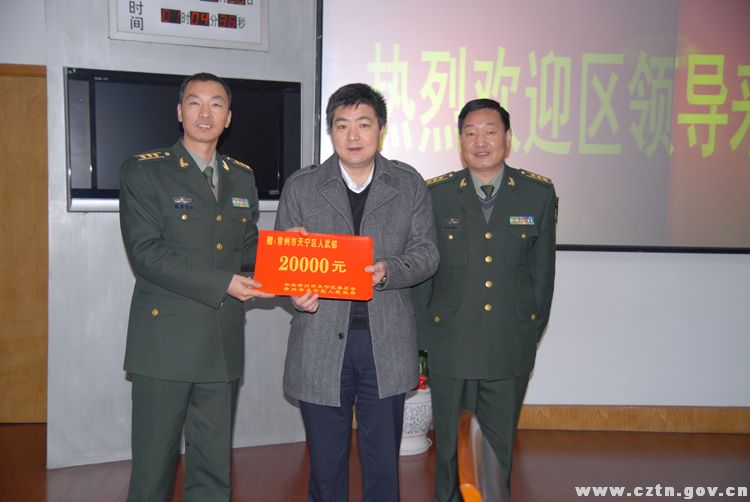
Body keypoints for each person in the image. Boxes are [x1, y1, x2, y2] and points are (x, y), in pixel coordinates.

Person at [274, 83, 439, 501]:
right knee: (325, 468)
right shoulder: (302, 186)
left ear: (380, 129)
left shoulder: (408, 184)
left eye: (363, 124)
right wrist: (295, 294)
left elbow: (427, 254)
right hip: (319, 340)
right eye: (341, 125)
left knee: (383, 466)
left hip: (385, 342)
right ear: (330, 131)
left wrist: (388, 271)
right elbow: (285, 263)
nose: (352, 135)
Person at [119, 72, 273, 501]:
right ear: (179, 111)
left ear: (229, 117)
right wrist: (225, 283)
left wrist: (286, 250)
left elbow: (245, 247)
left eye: (216, 104)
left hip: (221, 344)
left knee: (212, 473)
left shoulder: (240, 176)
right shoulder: (145, 171)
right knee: (153, 474)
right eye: (194, 102)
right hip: (164, 345)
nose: (205, 113)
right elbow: (147, 254)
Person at [414, 98, 557, 502]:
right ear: (460, 141)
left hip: (508, 347)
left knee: (496, 456)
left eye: (490, 132)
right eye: (471, 133)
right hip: (452, 345)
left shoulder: (537, 193)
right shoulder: (437, 194)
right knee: (449, 456)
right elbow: (423, 275)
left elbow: (542, 277)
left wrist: (525, 334)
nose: (481, 142)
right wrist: (425, 340)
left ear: (507, 138)